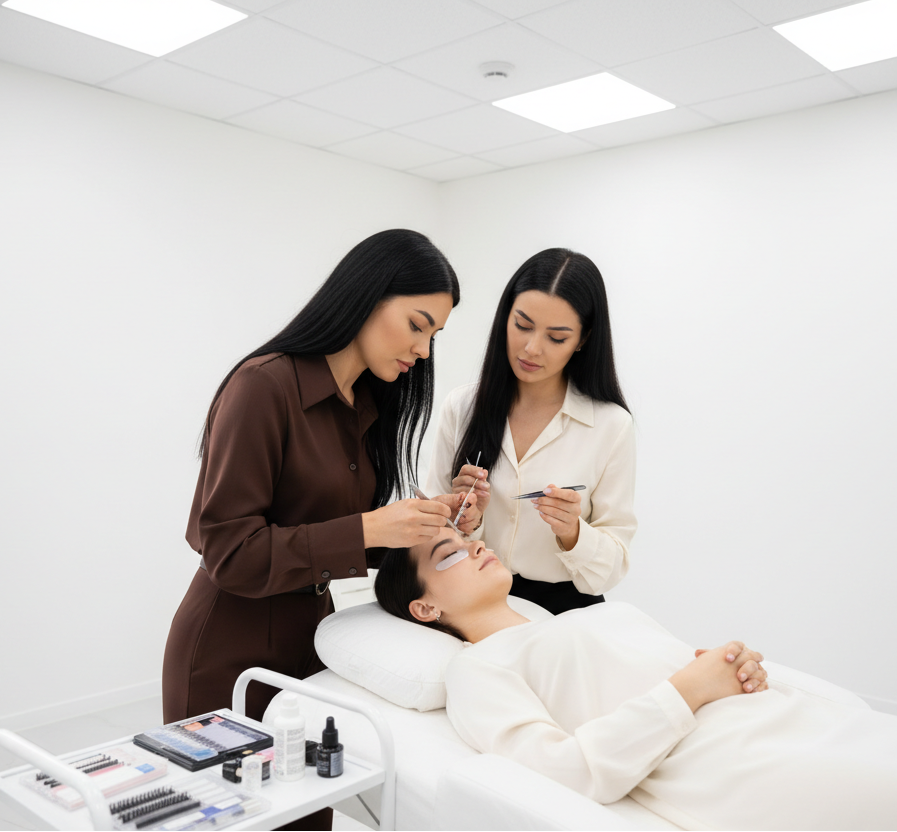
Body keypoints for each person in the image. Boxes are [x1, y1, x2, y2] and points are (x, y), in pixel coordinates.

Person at [162, 229, 464, 830]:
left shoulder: (368, 405)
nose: (424, 350)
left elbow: (347, 538)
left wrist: (429, 524)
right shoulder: (263, 387)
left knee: (305, 819)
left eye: (434, 335)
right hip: (228, 651)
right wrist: (369, 527)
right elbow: (231, 552)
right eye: (417, 324)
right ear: (369, 295)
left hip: (309, 652)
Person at [374, 532, 897, 831]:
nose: (475, 545)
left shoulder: (574, 621)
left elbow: (672, 667)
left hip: (789, 716)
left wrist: (734, 667)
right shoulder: (476, 669)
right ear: (426, 607)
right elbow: (566, 770)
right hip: (734, 763)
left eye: (470, 536)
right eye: (450, 554)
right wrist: (691, 686)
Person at [426, 248, 634, 614]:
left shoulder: (610, 426)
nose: (531, 348)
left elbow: (613, 567)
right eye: (522, 325)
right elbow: (430, 535)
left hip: (566, 613)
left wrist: (572, 532)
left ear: (583, 340)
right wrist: (464, 521)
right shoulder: (462, 408)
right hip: (474, 603)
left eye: (556, 338)